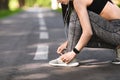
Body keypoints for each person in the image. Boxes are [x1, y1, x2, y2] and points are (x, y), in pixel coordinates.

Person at [49, 0, 120, 66]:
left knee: (76, 15)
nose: (58, 2)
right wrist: (68, 42)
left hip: (117, 31)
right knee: (81, 36)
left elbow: (88, 32)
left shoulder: (78, 1)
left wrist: (73, 53)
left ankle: (69, 59)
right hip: (115, 31)